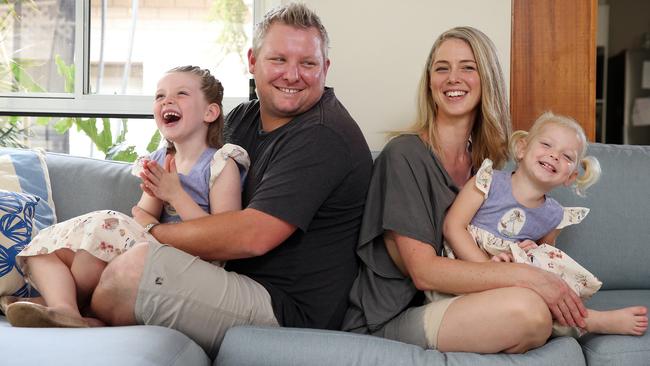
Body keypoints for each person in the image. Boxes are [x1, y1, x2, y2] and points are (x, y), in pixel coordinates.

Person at [86, 3, 372, 359]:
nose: (292, 74)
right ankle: (58, 304)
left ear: (325, 68)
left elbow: (253, 236)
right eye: (278, 60)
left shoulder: (324, 135)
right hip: (227, 278)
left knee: (131, 272)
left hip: (284, 308)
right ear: (252, 61)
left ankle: (85, 319)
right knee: (93, 248)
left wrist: (150, 234)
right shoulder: (243, 118)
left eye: (308, 63)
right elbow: (185, 170)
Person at [343, 26, 591, 354]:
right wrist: (530, 278)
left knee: (534, 309)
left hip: (457, 305)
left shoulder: (486, 169)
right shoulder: (403, 155)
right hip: (390, 318)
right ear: (430, 82)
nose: (452, 78)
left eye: (467, 67)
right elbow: (425, 272)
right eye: (441, 68)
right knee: (528, 311)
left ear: (486, 78)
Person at [4, 65, 249, 328]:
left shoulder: (221, 163)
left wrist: (176, 195)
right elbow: (142, 215)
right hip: (147, 246)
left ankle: (61, 304)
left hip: (188, 262)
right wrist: (154, 205)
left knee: (104, 228)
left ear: (210, 112)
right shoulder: (160, 160)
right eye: (160, 96)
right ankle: (65, 309)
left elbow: (223, 238)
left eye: (181, 93)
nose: (167, 100)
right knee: (42, 249)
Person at [442, 111, 647, 337]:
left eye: (567, 157)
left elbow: (545, 260)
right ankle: (588, 321)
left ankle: (584, 318)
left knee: (544, 272)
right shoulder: (488, 181)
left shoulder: (553, 215)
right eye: (547, 144)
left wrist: (532, 250)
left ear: (570, 177)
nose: (554, 156)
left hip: (512, 279)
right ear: (522, 149)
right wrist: (489, 268)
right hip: (468, 267)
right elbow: (453, 226)